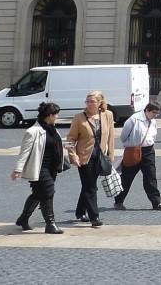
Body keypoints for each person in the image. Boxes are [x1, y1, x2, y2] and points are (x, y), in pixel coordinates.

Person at [11, 102, 66, 234]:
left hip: (52, 167)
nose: (57, 117)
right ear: (48, 115)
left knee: (38, 194)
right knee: (48, 192)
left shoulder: (53, 129)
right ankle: (50, 224)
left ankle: (23, 218)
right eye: (55, 114)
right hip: (38, 167)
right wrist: (18, 169)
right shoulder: (32, 131)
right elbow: (24, 152)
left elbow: (55, 145)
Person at [66, 91, 114, 227]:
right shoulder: (79, 118)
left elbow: (110, 136)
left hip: (100, 156)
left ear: (99, 103)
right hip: (84, 157)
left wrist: (110, 155)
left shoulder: (107, 115)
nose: (89, 104)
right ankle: (94, 217)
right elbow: (70, 139)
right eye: (87, 101)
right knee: (91, 187)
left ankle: (80, 211)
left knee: (89, 185)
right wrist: (73, 155)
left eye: (92, 101)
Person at [114, 102, 161, 211]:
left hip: (148, 151)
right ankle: (118, 201)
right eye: (154, 113)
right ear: (147, 110)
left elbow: (153, 135)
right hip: (134, 150)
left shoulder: (153, 121)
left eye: (158, 113)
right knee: (127, 177)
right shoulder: (134, 119)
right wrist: (130, 145)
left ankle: (156, 202)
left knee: (151, 176)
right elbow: (124, 136)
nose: (156, 115)